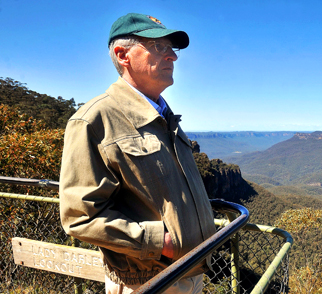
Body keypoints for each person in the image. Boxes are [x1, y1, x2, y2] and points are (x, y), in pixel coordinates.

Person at [59, 13, 216, 294]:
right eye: (159, 47)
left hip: (191, 274)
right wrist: (161, 243)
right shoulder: (94, 121)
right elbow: (80, 217)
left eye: (171, 48)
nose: (173, 57)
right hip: (149, 282)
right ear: (123, 55)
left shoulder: (164, 117)